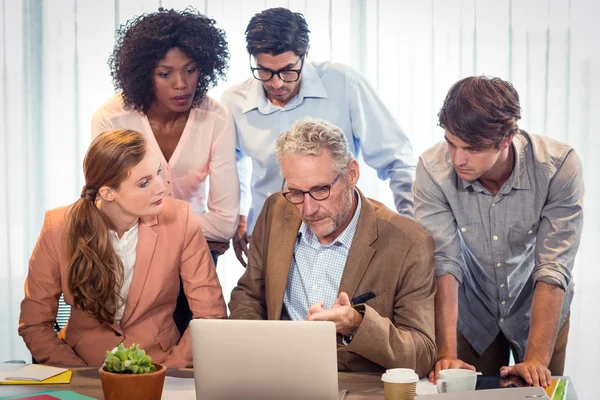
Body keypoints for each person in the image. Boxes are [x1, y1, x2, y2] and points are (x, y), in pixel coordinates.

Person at [228, 119, 436, 376]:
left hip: (359, 386)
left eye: (320, 190)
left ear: (351, 174)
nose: (308, 209)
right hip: (278, 376)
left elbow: (422, 354)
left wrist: (356, 324)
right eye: (295, 192)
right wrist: (253, 353)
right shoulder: (276, 209)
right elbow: (250, 294)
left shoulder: (409, 243)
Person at [413, 76, 584, 387]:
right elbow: (444, 264)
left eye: (472, 149)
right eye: (451, 143)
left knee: (537, 390)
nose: (457, 159)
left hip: (537, 304)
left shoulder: (559, 167)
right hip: (470, 309)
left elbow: (553, 268)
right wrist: (447, 355)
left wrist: (535, 359)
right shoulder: (432, 170)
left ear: (506, 139)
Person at [221, 7, 416, 267]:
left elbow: (397, 160)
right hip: (270, 240)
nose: (277, 83)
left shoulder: (344, 84)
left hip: (340, 236)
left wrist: (412, 227)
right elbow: (228, 167)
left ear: (306, 53)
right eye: (265, 71)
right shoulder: (235, 102)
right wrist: (238, 216)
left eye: (288, 70)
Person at [19, 130, 226, 367]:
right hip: (83, 365)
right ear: (108, 192)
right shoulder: (57, 227)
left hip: (160, 366)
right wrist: (79, 376)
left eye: (159, 172)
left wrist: (166, 373)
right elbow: (35, 323)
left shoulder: (182, 220)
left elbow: (210, 315)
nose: (161, 188)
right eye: (144, 183)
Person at [92, 7, 239, 260]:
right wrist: (198, 229)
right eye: (165, 74)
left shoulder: (217, 119)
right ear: (144, 74)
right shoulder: (112, 119)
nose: (181, 83)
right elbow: (105, 210)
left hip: (194, 254)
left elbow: (225, 223)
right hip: (128, 254)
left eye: (190, 70)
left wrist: (142, 223)